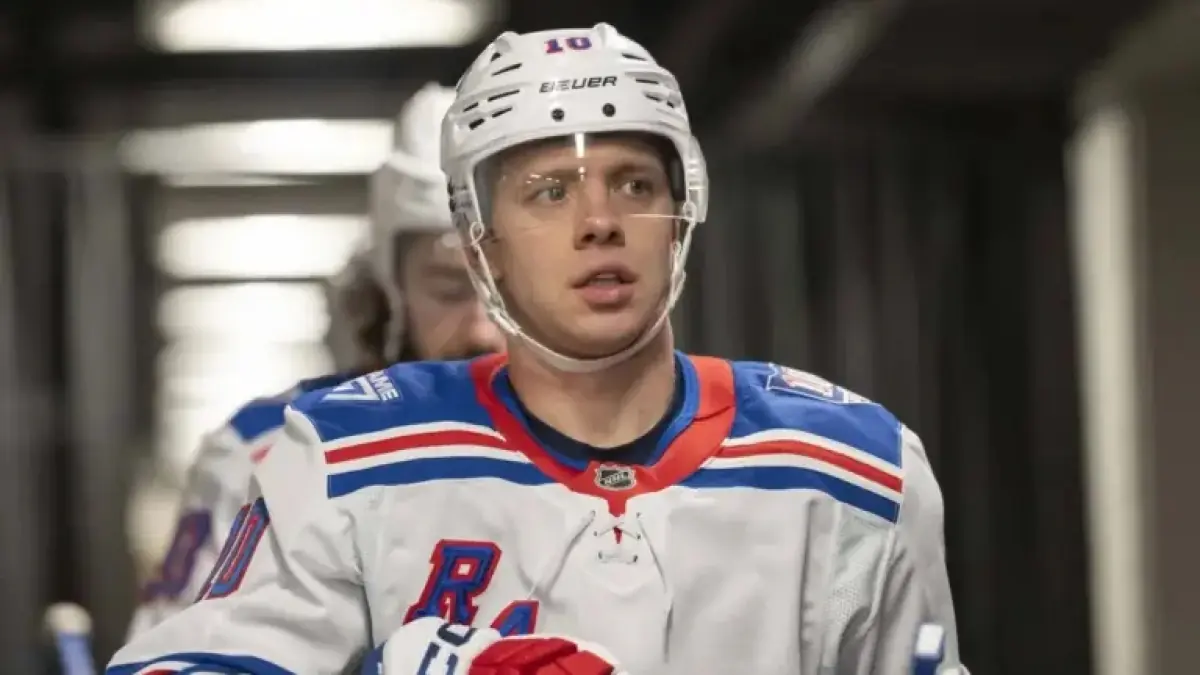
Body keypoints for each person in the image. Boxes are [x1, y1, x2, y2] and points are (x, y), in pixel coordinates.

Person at [109, 24, 968, 675]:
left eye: (633, 182)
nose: (599, 221)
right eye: (548, 192)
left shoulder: (857, 467)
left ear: (684, 212)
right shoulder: (342, 460)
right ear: (478, 242)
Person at [125, 83, 503, 639]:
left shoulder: (624, 463)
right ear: (389, 289)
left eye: (509, 290)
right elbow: (174, 651)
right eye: (447, 288)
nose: (482, 329)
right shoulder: (265, 450)